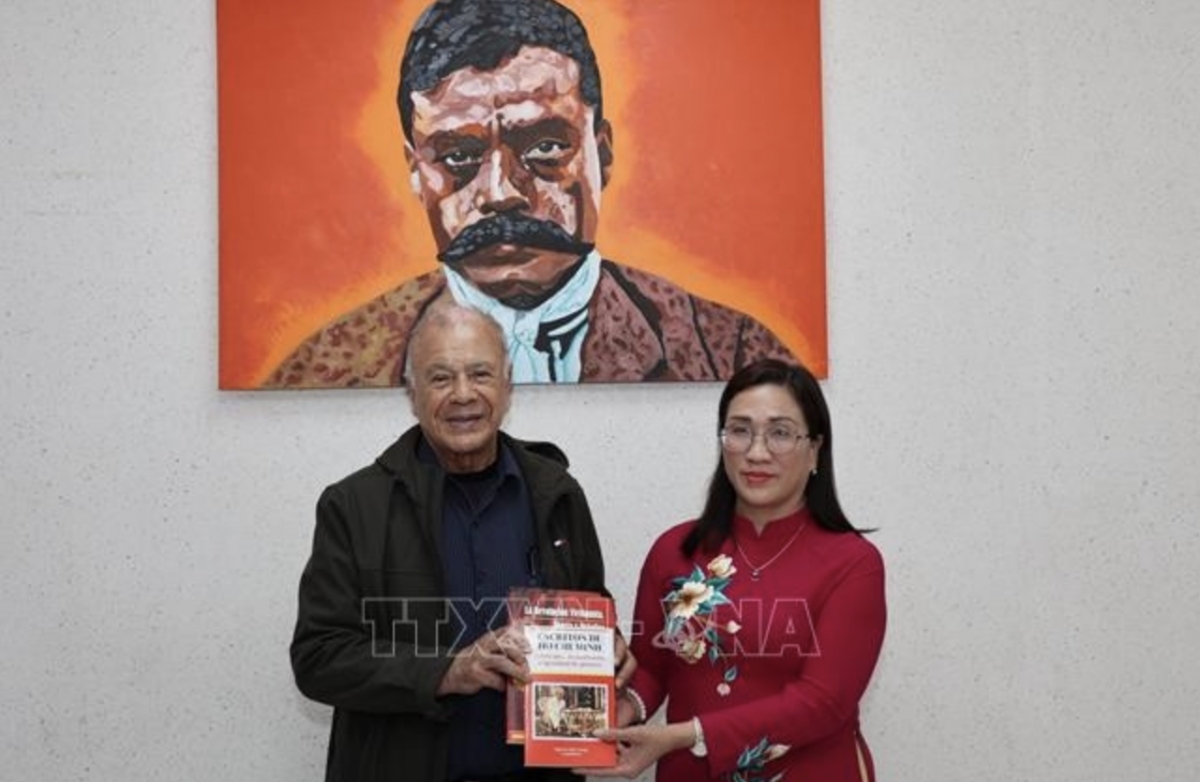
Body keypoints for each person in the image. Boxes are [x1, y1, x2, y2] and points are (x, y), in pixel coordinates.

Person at [264, 0, 798, 388]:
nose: (500, 193)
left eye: (545, 146)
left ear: (601, 153)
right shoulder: (329, 367)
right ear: (414, 170)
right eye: (456, 157)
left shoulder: (731, 353)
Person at [290, 301, 633, 782]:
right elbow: (319, 658)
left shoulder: (556, 494)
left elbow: (591, 605)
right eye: (440, 378)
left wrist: (605, 650)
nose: (463, 394)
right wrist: (449, 671)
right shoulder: (354, 506)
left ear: (508, 385)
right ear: (411, 393)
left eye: (480, 374)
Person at [588, 359, 886, 781]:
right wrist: (624, 711)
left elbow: (823, 702)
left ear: (815, 449)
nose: (757, 452)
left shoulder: (853, 563)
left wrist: (685, 735)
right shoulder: (674, 550)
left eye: (780, 433)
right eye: (740, 430)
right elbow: (653, 666)